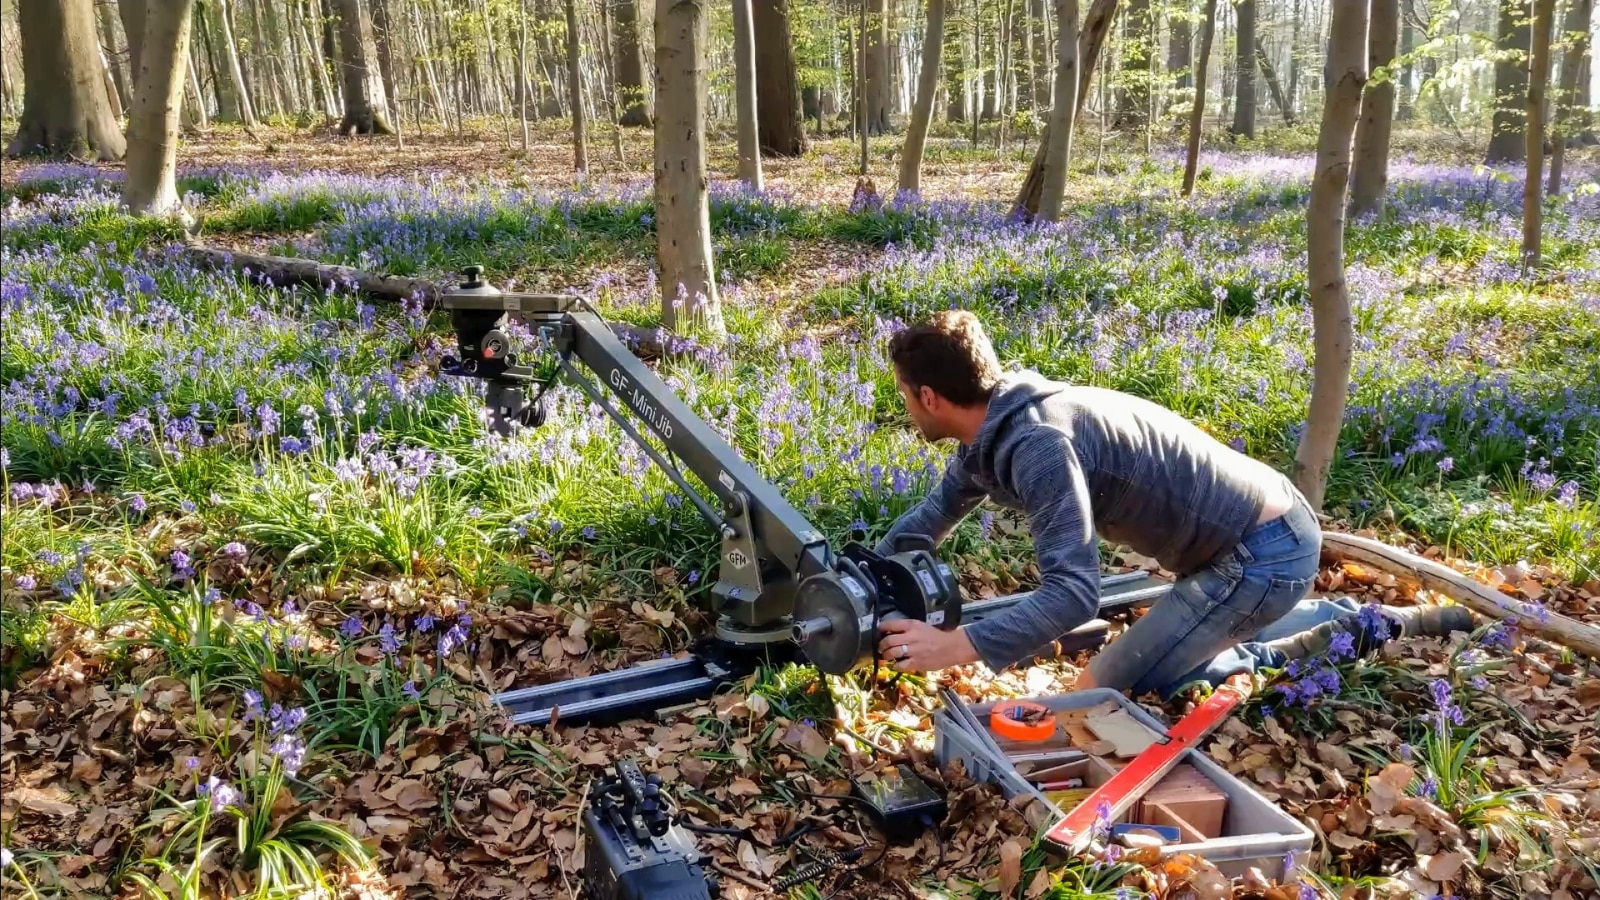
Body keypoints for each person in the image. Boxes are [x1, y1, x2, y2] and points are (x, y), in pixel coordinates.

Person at [872, 311, 1472, 697]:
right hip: (1249, 542)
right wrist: (863, 576)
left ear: (929, 396)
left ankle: (1352, 633)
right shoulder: (999, 424)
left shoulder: (1038, 446)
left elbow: (1074, 593)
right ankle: (1341, 615)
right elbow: (933, 517)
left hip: (1260, 556)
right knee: (1147, 656)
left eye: (904, 396)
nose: (905, 407)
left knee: (1099, 688)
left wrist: (958, 646)